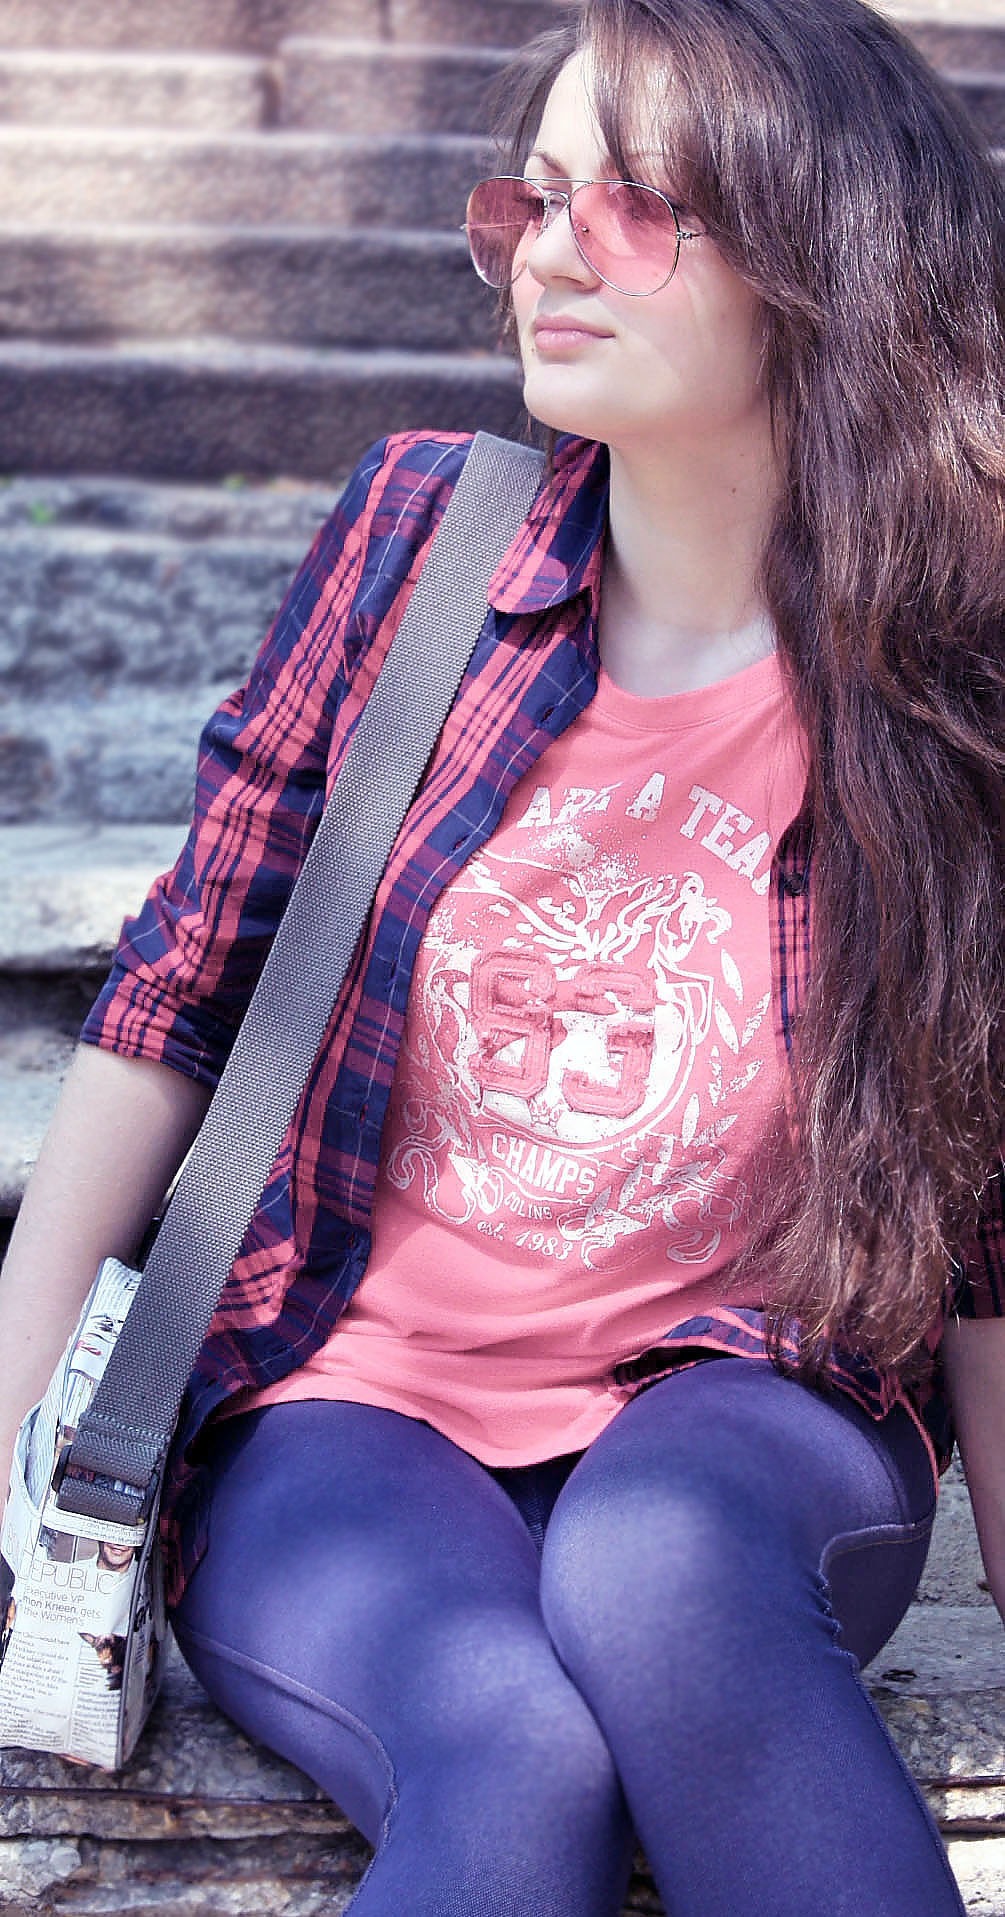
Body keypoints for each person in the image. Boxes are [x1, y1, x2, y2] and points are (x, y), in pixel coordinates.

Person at [1, 0, 1003, 1909]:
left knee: (662, 1561)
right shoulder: (420, 547)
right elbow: (177, 990)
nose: (549, 252)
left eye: (633, 204)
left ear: (821, 247)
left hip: (754, 1396)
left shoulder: (945, 672)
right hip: (348, 1392)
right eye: (533, 200)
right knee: (508, 1743)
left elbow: (987, 1195)